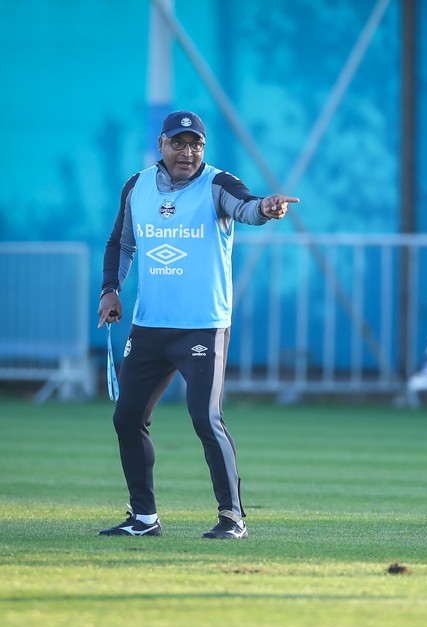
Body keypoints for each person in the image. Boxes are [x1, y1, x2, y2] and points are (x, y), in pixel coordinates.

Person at [96, 110, 299, 539]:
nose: (188, 152)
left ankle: (232, 518)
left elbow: (247, 208)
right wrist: (110, 289)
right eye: (179, 143)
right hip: (149, 326)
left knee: (205, 418)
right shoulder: (137, 187)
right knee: (126, 417)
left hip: (203, 327)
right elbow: (121, 243)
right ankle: (144, 517)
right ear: (162, 145)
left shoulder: (217, 184)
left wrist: (266, 207)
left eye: (197, 144)